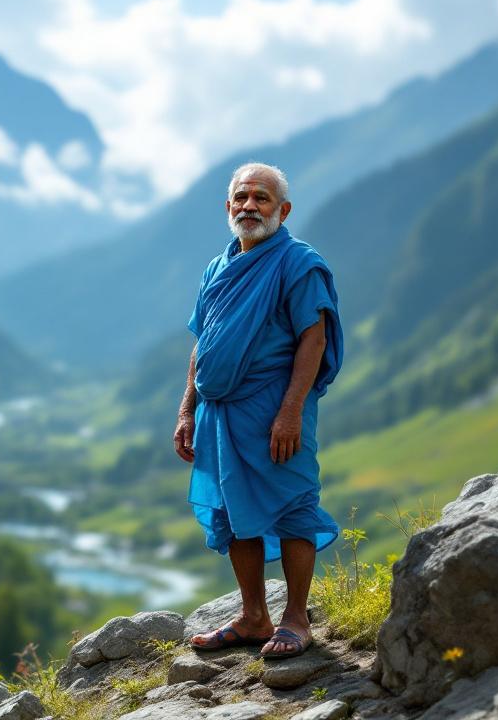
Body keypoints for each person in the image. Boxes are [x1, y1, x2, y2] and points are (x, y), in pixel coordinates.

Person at [173, 162, 343, 659]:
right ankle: (253, 616)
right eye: (242, 198)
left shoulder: (297, 263)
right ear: (228, 207)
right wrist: (187, 409)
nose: (250, 206)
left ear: (282, 210)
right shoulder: (217, 268)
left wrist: (290, 412)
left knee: (293, 504)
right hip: (218, 412)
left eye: (261, 198)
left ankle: (296, 619)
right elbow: (203, 342)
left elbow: (314, 338)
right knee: (230, 509)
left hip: (275, 408)